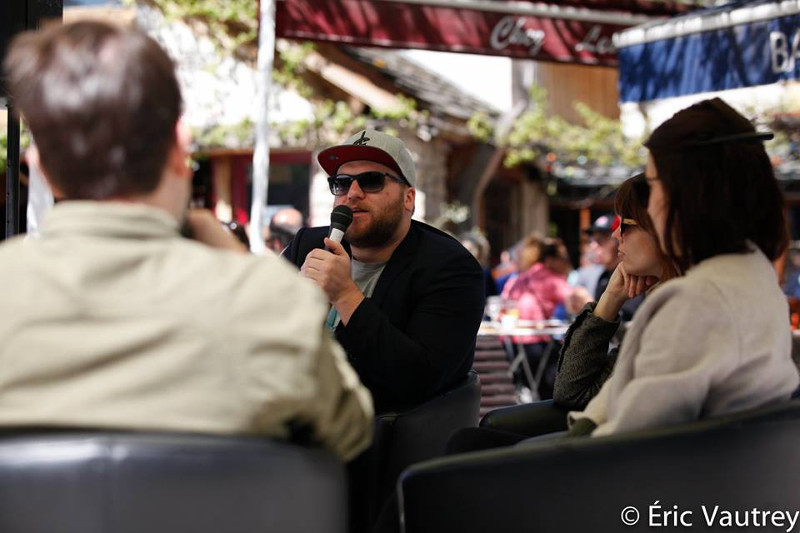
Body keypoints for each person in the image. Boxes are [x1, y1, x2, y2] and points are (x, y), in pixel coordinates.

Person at [0, 21, 373, 461]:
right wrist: (244, 267)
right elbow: (352, 430)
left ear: (37, 166)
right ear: (181, 149)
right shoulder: (266, 304)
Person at [569, 97, 799, 437]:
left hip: (649, 485)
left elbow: (625, 440)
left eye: (654, 184)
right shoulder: (755, 277)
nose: (651, 203)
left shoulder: (697, 301)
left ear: (689, 194)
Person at [283, 129, 485, 414]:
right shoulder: (308, 245)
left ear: (408, 199)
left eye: (371, 181)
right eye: (341, 183)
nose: (353, 193)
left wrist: (345, 295)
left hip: (380, 435)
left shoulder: (451, 268)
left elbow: (418, 380)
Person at [554, 174, 680, 410]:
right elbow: (572, 394)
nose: (615, 235)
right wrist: (610, 299)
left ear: (663, 230)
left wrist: (606, 302)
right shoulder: (663, 298)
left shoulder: (681, 314)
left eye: (625, 224)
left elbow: (573, 394)